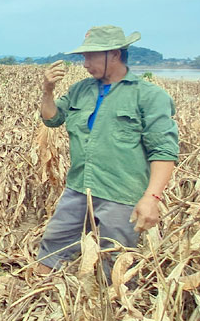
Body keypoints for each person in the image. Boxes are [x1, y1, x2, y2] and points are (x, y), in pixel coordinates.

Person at [37, 25, 179, 279]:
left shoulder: (148, 96)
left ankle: (115, 311)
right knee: (52, 248)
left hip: (120, 194)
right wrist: (47, 90)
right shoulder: (81, 90)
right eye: (84, 57)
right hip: (79, 187)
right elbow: (52, 119)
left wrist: (151, 198)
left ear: (114, 54)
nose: (85, 64)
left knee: (116, 264)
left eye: (90, 56)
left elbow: (164, 151)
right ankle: (43, 303)